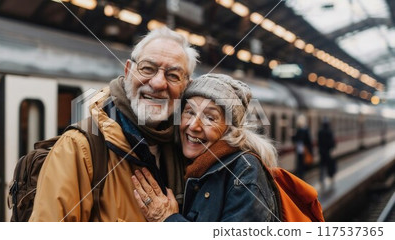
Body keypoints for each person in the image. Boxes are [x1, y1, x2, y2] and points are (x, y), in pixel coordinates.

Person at [29, 27, 199, 221]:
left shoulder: (189, 150)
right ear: (128, 71)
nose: (159, 83)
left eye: (173, 75)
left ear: (185, 87)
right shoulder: (78, 148)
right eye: (147, 69)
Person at [130, 73, 281, 222]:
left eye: (210, 118)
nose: (194, 125)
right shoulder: (186, 163)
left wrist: (168, 219)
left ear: (230, 129)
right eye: (189, 112)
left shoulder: (244, 171)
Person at [292, 114, 313, 180]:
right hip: (305, 150)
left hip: (299, 150)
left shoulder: (298, 130)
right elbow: (309, 142)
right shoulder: (306, 130)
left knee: (299, 165)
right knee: (303, 165)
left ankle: (300, 178)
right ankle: (302, 178)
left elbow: (295, 139)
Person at [317, 118, 336, 189]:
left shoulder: (320, 132)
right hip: (328, 152)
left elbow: (319, 142)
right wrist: (333, 149)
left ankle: (321, 179)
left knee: (322, 166)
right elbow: (332, 142)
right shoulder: (330, 132)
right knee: (330, 166)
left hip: (322, 152)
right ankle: (331, 177)